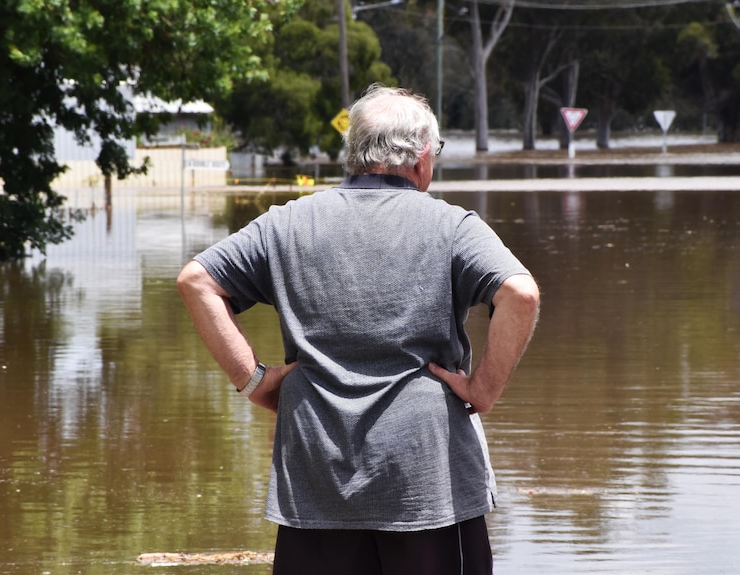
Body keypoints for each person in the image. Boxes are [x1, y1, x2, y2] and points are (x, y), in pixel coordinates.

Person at [177, 84, 540, 575]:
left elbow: (197, 280)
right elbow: (520, 294)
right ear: (422, 157)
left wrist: (254, 380)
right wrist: (485, 390)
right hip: (426, 482)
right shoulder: (453, 226)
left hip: (316, 481)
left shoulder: (286, 223)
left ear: (353, 153)